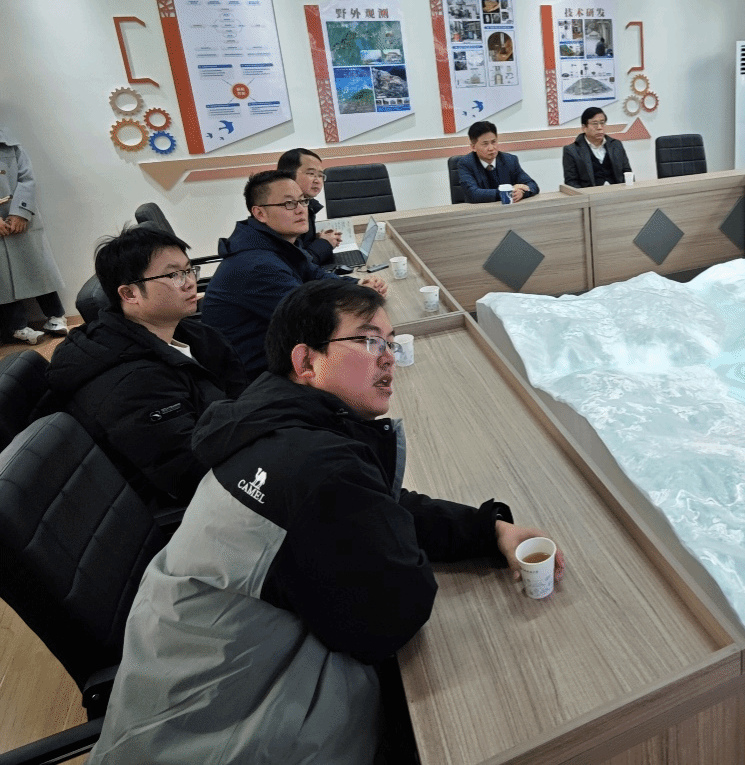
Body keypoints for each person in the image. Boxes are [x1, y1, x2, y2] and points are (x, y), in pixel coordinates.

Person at [87, 279, 564, 765]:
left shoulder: (266, 421)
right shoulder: (315, 467)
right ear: (306, 362)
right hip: (230, 736)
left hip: (175, 695)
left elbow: (372, 503)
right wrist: (397, 537)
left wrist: (487, 529)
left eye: (390, 342)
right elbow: (392, 618)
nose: (389, 357)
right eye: (369, 341)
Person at [44, 225, 247, 507]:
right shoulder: (133, 382)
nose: (190, 282)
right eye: (174, 275)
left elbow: (239, 395)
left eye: (189, 270)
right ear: (129, 294)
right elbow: (192, 473)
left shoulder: (191, 334)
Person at [202, 170, 387, 375]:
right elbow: (310, 318)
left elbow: (315, 274)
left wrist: (356, 287)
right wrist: (360, 300)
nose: (301, 210)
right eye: (289, 204)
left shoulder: (275, 242)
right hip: (256, 373)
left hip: (280, 349)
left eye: (303, 201)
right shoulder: (258, 265)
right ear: (260, 213)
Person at [0, 127, 68, 344]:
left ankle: (56, 315)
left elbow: (27, 179)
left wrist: (20, 212)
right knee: (2, 280)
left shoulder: (11, 145)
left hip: (22, 218)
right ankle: (18, 326)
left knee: (38, 268)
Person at [277, 147, 341, 266]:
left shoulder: (307, 204)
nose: (317, 180)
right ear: (288, 175)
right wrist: (325, 243)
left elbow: (302, 246)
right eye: (311, 174)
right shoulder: (283, 210)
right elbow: (299, 264)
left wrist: (319, 238)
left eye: (320, 175)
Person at [457, 120, 540, 204]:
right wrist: (508, 191)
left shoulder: (510, 160)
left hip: (508, 210)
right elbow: (473, 194)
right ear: (473, 147)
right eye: (485, 144)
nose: (491, 148)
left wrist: (522, 193)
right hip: (479, 210)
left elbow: (532, 185)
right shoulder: (466, 163)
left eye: (493, 142)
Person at [562, 107, 633, 187]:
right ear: (584, 128)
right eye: (595, 124)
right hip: (589, 193)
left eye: (602, 123)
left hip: (617, 192)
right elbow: (571, 182)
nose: (599, 127)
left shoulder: (616, 145)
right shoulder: (572, 151)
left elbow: (628, 173)